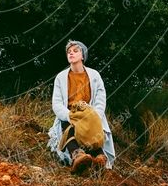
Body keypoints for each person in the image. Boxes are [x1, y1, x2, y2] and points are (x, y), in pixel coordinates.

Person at [47, 39, 116, 174]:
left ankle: (100, 158)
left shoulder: (94, 75)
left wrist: (94, 115)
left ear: (82, 55)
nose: (71, 53)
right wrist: (69, 115)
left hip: (90, 113)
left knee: (91, 128)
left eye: (75, 51)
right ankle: (77, 155)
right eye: (69, 52)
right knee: (67, 124)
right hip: (70, 114)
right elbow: (57, 103)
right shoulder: (60, 77)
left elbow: (101, 99)